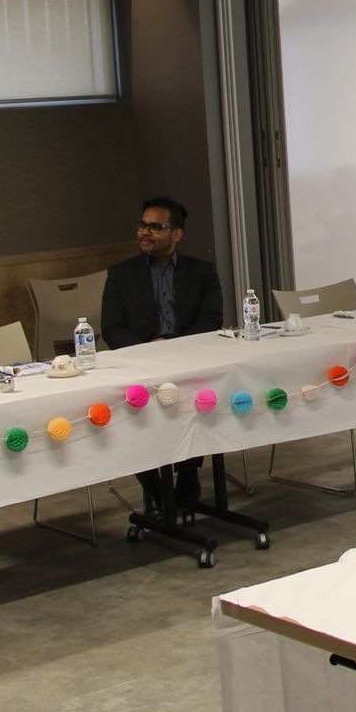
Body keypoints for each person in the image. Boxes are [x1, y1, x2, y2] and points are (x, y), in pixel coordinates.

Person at [101, 197, 224, 512]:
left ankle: (187, 472)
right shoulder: (120, 274)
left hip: (187, 359)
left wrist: (176, 349)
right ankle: (153, 483)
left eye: (155, 227)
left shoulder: (202, 272)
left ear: (176, 235)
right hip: (139, 363)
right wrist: (147, 352)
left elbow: (211, 320)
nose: (145, 232)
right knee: (130, 410)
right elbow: (112, 328)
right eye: (142, 225)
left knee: (200, 395)